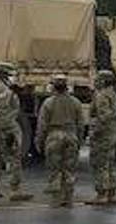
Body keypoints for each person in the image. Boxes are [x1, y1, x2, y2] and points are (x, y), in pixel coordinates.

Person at [0, 62, 32, 202]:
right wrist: (9, 131)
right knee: (13, 157)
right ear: (4, 75)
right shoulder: (4, 90)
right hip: (3, 126)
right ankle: (14, 190)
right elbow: (4, 111)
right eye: (10, 75)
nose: (13, 78)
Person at [35, 73, 84, 207]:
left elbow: (42, 125)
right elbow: (81, 124)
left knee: (54, 168)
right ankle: (68, 198)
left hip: (54, 136)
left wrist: (39, 141)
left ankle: (56, 199)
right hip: (71, 135)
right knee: (69, 168)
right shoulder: (76, 102)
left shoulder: (48, 103)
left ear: (53, 87)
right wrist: (79, 140)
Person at [87, 70, 116, 206]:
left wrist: (95, 132)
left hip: (103, 134)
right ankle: (112, 193)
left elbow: (103, 117)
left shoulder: (101, 96)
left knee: (99, 163)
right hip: (112, 132)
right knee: (110, 163)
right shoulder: (115, 96)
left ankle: (101, 194)